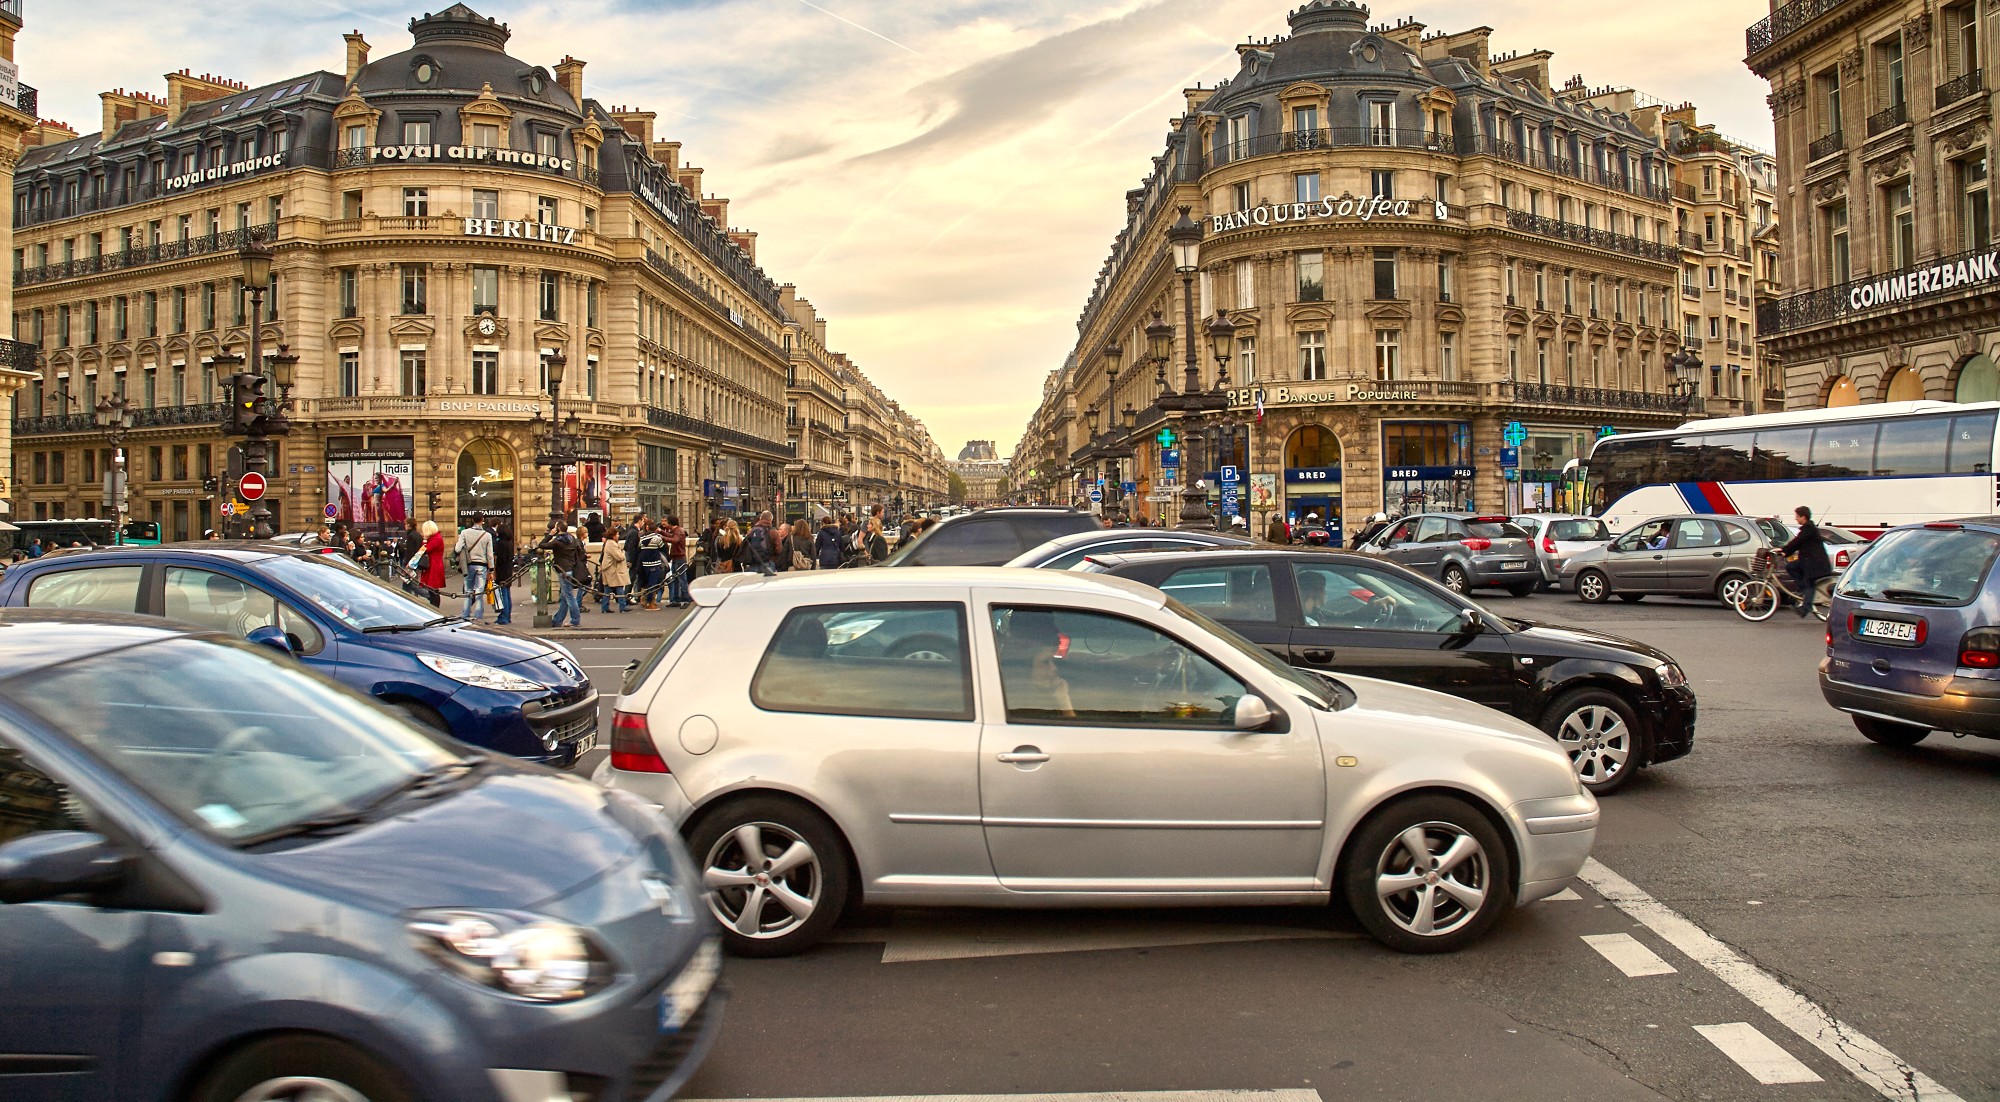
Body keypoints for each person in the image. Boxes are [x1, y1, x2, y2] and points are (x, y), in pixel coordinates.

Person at [1779, 506, 1834, 618]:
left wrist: (1784, 550)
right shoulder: (1808, 528)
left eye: (1797, 517)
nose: (1796, 519)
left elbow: (1797, 542)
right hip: (1810, 562)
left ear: (1803, 517)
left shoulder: (1808, 529)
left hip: (1816, 565)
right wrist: (1785, 551)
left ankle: (1805, 608)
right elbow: (1798, 544)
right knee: (1791, 567)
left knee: (1809, 583)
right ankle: (1802, 590)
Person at [538, 519, 586, 628]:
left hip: (563, 570)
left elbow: (542, 545)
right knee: (564, 596)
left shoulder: (557, 541)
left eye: (555, 527)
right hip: (570, 569)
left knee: (569, 596)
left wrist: (550, 534)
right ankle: (557, 620)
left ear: (558, 529)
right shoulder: (571, 538)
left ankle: (575, 620)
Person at [453, 512, 495, 623]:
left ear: (472, 520)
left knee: (468, 591)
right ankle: (478, 617)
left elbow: (457, 549)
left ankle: (465, 614)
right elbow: (489, 555)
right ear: (482, 520)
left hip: (469, 565)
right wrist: (491, 570)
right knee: (479, 593)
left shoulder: (464, 533)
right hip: (482, 565)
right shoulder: (487, 535)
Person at [590, 522, 631, 613]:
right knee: (619, 587)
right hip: (613, 570)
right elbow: (619, 557)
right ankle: (622, 606)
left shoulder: (609, 543)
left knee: (607, 589)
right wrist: (623, 553)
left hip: (609, 569)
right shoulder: (612, 544)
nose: (618, 536)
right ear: (613, 535)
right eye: (617, 534)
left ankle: (605, 607)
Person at [408, 520, 446, 608]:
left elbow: (425, 549)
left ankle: (435, 608)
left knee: (433, 590)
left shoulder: (436, 539)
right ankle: (433, 606)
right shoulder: (433, 538)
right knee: (430, 589)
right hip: (431, 565)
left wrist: (412, 562)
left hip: (434, 565)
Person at [491, 522, 515, 625]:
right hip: (508, 570)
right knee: (507, 593)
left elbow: (498, 559)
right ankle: (507, 615)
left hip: (501, 570)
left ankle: (504, 616)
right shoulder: (510, 542)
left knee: (503, 593)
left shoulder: (500, 543)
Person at [662, 516, 690, 607]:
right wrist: (661, 532)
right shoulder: (678, 530)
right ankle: (676, 600)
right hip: (676, 557)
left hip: (679, 558)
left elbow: (675, 540)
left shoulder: (679, 531)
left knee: (682, 580)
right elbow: (672, 536)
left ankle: (687, 600)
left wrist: (663, 537)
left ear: (670, 524)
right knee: (675, 579)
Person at [747, 511, 777, 576]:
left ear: (760, 519)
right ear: (771, 520)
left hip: (753, 563)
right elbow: (779, 549)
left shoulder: (751, 531)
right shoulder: (773, 531)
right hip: (768, 563)